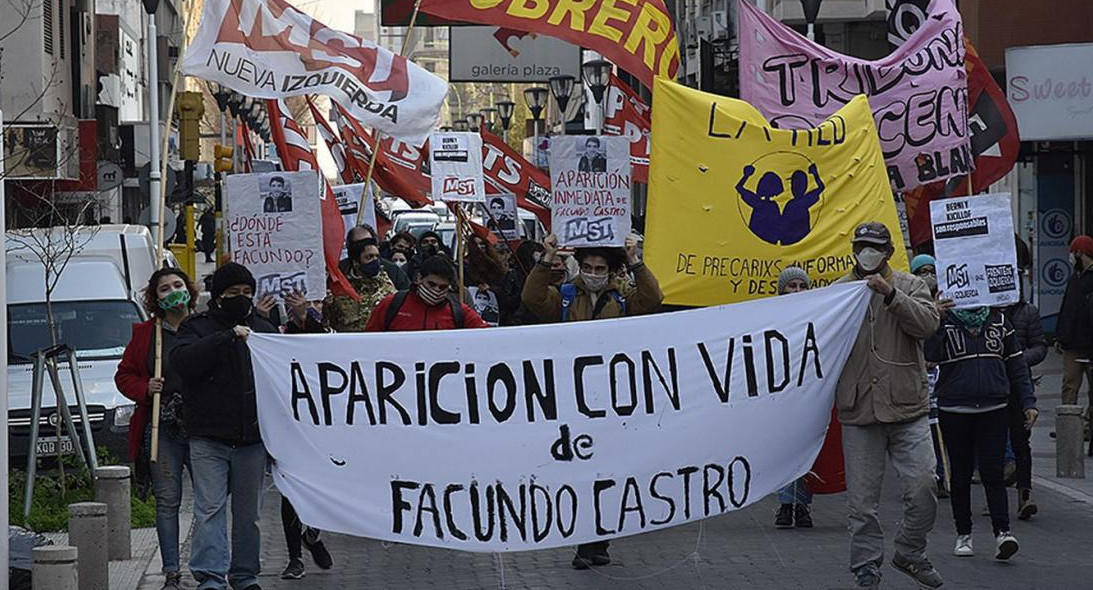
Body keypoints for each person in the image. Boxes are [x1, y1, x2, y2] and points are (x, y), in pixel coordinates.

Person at [521, 233, 663, 570]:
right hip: (573, 396)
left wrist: (634, 259)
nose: (593, 272)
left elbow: (654, 298)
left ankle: (598, 540)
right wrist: (547, 258)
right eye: (587, 266)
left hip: (613, 398)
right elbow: (532, 298)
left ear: (610, 270)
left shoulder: (625, 298)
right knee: (581, 469)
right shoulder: (567, 295)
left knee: (608, 472)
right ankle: (586, 544)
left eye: (600, 267)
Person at [835, 222, 942, 590]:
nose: (867, 253)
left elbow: (928, 324)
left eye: (874, 247)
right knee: (862, 503)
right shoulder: (837, 292)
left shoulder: (910, 285)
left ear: (888, 252)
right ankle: (866, 566)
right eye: (861, 246)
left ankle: (910, 551)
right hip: (860, 409)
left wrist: (891, 295)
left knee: (925, 485)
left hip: (907, 406)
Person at [171, 263, 278, 590]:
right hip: (209, 438)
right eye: (233, 294)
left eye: (247, 293)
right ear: (217, 297)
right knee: (210, 510)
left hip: (252, 440)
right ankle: (211, 577)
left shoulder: (264, 329)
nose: (241, 299)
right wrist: (227, 338)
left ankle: (245, 576)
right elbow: (184, 363)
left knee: (249, 517)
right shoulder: (196, 328)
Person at [926, 304, 1037, 561]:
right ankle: (963, 534)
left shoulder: (999, 321)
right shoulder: (946, 321)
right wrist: (937, 321)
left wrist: (1028, 402)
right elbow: (929, 354)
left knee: (992, 472)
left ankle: (1003, 533)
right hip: (955, 408)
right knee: (961, 475)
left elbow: (1017, 365)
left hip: (994, 406)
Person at [115, 268, 200, 590]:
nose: (173, 291)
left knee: (210, 500)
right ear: (156, 298)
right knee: (167, 501)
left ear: (188, 289)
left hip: (202, 429)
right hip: (162, 429)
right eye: (165, 289)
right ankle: (172, 573)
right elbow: (123, 376)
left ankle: (207, 566)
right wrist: (145, 387)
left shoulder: (202, 327)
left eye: (178, 285)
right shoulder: (145, 334)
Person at [1001, 270, 1047, 520]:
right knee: (994, 442)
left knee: (1021, 442)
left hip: (1019, 385)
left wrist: (1019, 360)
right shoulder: (989, 311)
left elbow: (1040, 346)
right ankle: (994, 495)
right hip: (994, 386)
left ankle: (1025, 493)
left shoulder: (1028, 312)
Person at [773, 266, 816, 530]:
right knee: (784, 449)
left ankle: (801, 505)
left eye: (802, 286)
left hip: (809, 392)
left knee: (805, 449)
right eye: (792, 286)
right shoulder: (772, 318)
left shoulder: (817, 316)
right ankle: (786, 504)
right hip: (780, 395)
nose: (797, 291)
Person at [365, 255, 490, 331]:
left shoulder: (459, 312)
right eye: (431, 284)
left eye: (442, 287)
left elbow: (486, 336)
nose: (436, 291)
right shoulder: (392, 305)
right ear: (419, 278)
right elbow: (368, 341)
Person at [911, 254, 950, 497]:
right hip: (917, 372)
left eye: (931, 270)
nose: (927, 276)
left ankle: (942, 475)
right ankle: (925, 476)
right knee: (921, 430)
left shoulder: (948, 301)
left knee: (940, 428)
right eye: (921, 271)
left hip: (941, 373)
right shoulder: (910, 299)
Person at [325, 235, 398, 332]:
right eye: (369, 257)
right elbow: (328, 323)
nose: (375, 260)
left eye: (377, 256)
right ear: (356, 262)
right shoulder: (341, 289)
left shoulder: (387, 285)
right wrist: (326, 306)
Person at [1056, 235, 1093, 415]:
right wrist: (1060, 336)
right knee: (1069, 385)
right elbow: (1066, 309)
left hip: (1089, 345)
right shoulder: (1075, 279)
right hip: (1071, 344)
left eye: (1072, 252)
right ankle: (1068, 424)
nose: (1070, 257)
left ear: (1080, 253)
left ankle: (1088, 425)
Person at [343, 225, 410, 291]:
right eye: (359, 244)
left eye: (369, 242)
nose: (366, 246)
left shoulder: (393, 271)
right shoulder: (340, 272)